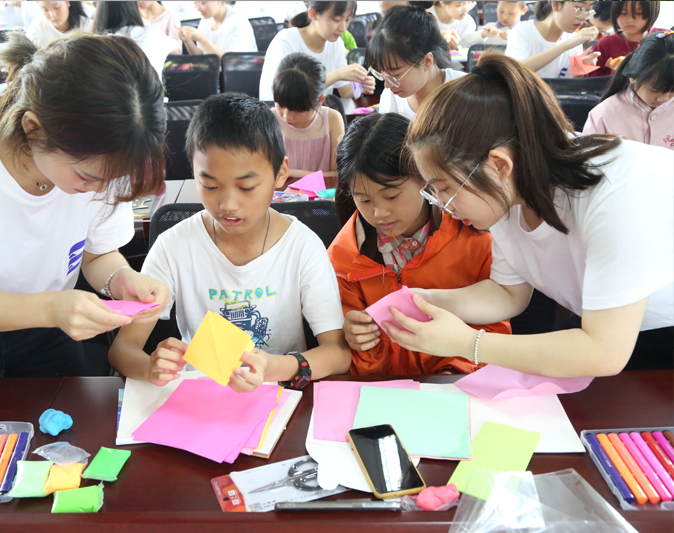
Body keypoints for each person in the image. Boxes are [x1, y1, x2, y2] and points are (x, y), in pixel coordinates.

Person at [0, 32, 170, 380]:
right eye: (87, 177)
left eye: (112, 179)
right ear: (32, 127)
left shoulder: (112, 148)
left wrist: (122, 280)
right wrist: (52, 309)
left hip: (50, 327)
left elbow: (98, 254)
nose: (99, 190)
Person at [395, 53, 673, 376]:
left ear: (499, 164)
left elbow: (603, 352)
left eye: (445, 189)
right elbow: (508, 293)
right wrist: (427, 301)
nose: (445, 206)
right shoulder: (506, 190)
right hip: (611, 327)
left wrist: (468, 342)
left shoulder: (616, 196)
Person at [108, 93, 351, 393]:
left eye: (246, 187)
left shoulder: (302, 247)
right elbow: (122, 349)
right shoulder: (173, 246)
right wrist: (149, 367)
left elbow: (338, 354)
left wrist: (273, 367)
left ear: (280, 173)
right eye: (209, 185)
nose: (227, 204)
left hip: (279, 397)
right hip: (201, 397)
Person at [328, 112, 511, 376]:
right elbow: (348, 357)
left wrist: (454, 373)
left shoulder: (474, 241)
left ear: (424, 178)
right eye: (364, 200)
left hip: (455, 386)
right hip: (383, 390)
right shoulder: (342, 259)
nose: (379, 213)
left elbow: (494, 331)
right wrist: (353, 339)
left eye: (392, 196)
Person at [260, 2, 375, 102]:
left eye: (347, 19)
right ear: (313, 14)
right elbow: (289, 94)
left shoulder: (336, 44)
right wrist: (337, 75)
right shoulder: (285, 41)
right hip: (282, 116)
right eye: (336, 20)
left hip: (316, 115)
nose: (343, 28)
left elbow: (344, 91)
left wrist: (362, 86)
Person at [368, 4, 465, 121]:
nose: (387, 85)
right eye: (382, 74)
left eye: (396, 75)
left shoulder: (465, 91)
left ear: (427, 62)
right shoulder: (391, 97)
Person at [584, 32, 674, 150]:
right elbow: (589, 158)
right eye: (654, 90)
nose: (664, 98)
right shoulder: (604, 115)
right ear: (633, 76)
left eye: (672, 91)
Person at [272, 53, 345, 180]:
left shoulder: (332, 119)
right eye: (280, 104)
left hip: (323, 192)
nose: (286, 116)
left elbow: (339, 174)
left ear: (320, 101)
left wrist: (296, 174)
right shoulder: (269, 120)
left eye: (297, 110)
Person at [505, 0, 600, 78]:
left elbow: (569, 88)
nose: (583, 17)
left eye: (588, 10)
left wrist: (579, 70)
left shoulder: (575, 40)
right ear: (556, 5)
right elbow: (514, 71)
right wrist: (566, 45)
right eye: (579, 8)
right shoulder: (522, 31)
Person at [91, 1, 179, 82]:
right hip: (150, 94)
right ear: (132, 7)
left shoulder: (93, 42)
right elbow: (176, 45)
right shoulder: (152, 36)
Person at [588, 1, 664, 78]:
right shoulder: (605, 44)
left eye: (638, 13)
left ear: (652, 12)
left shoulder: (663, 37)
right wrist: (616, 73)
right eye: (623, 13)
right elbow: (594, 80)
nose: (630, 20)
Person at [177, 1, 257, 57]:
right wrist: (187, 41)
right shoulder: (206, 20)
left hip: (238, 74)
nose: (198, 8)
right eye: (196, 3)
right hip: (213, 73)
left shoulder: (238, 22)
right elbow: (201, 56)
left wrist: (201, 39)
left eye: (203, 3)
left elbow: (231, 60)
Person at [26, 1, 90, 48]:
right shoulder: (37, 27)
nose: (52, 15)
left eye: (57, 8)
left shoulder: (87, 25)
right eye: (46, 10)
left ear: (68, 2)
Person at [464, 1, 528, 47]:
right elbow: (465, 43)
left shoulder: (525, 31)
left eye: (511, 13)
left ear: (523, 10)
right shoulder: (489, 27)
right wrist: (483, 34)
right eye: (501, 11)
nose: (504, 17)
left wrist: (513, 38)